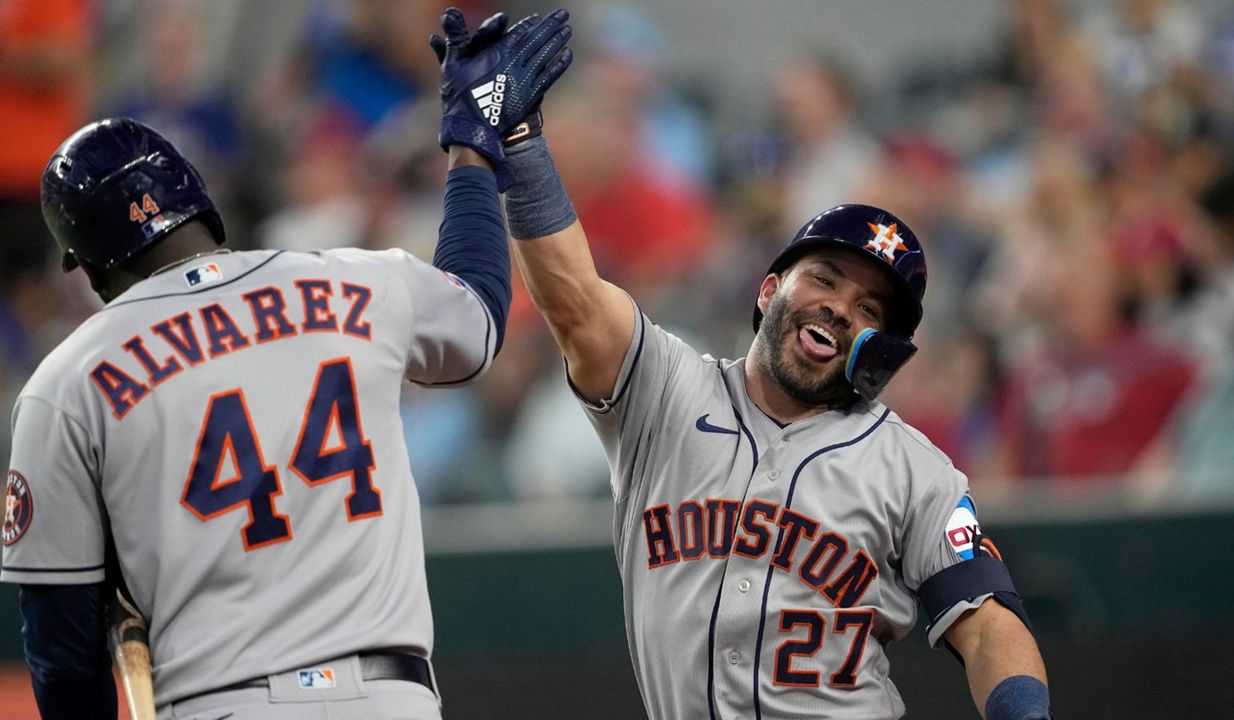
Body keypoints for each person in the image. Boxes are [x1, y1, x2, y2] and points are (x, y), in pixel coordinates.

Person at [0, 7, 571, 719]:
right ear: (200, 202)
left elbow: (62, 651)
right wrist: (471, 151)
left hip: (218, 700)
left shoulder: (67, 380)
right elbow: (481, 313)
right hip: (391, 696)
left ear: (82, 262)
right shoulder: (353, 279)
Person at [494, 8, 1053, 718]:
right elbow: (575, 302)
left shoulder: (913, 470)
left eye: (871, 309)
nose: (842, 308)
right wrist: (518, 141)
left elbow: (989, 622)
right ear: (770, 290)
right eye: (823, 278)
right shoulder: (666, 391)